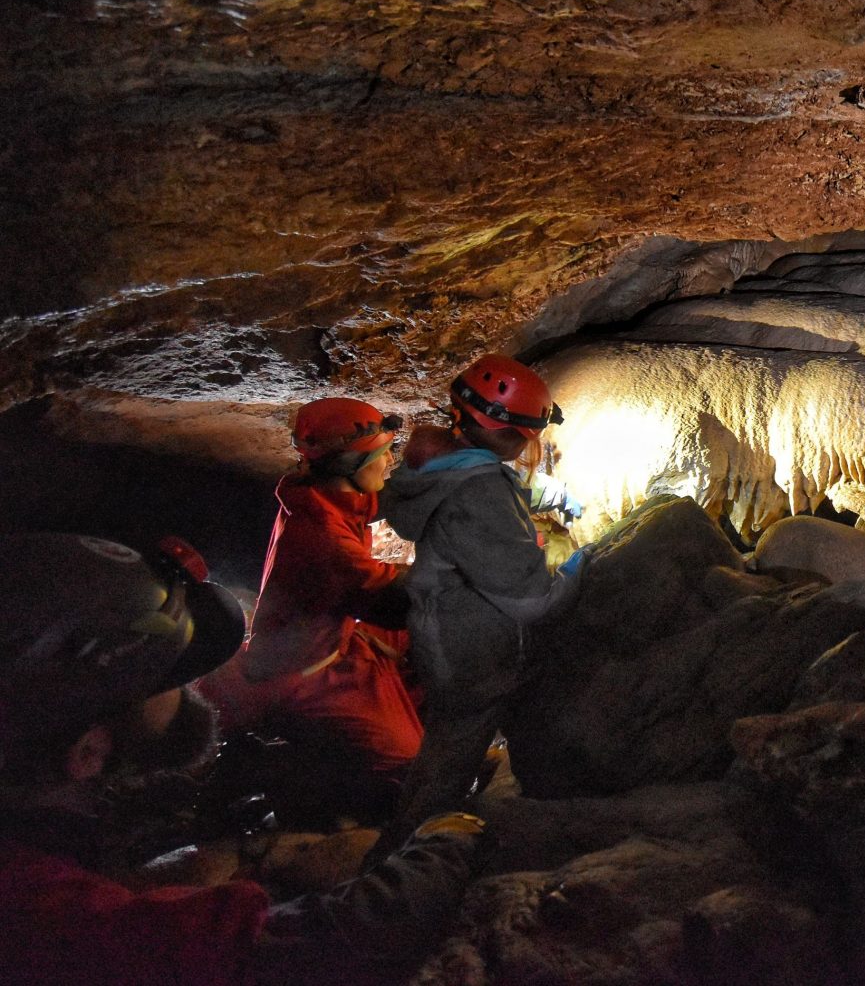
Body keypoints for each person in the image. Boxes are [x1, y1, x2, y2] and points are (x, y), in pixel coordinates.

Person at [0, 532, 486, 986]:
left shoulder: (48, 834)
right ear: (88, 750)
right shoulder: (45, 913)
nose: (195, 685)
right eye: (171, 675)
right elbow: (330, 938)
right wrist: (453, 834)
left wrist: (256, 857)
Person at [369, 354, 580, 858]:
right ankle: (401, 866)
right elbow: (532, 602)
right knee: (446, 767)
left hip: (449, 639)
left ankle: (407, 845)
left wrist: (527, 497)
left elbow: (471, 499)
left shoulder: (442, 468)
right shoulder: (481, 493)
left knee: (445, 754)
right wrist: (580, 567)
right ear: (514, 435)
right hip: (474, 657)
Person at [200, 399, 423, 817]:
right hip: (304, 673)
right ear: (348, 466)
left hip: (334, 637)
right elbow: (394, 604)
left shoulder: (329, 497)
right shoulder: (323, 538)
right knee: (406, 764)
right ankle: (283, 775)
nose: (391, 460)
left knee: (429, 657)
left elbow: (382, 530)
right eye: (382, 453)